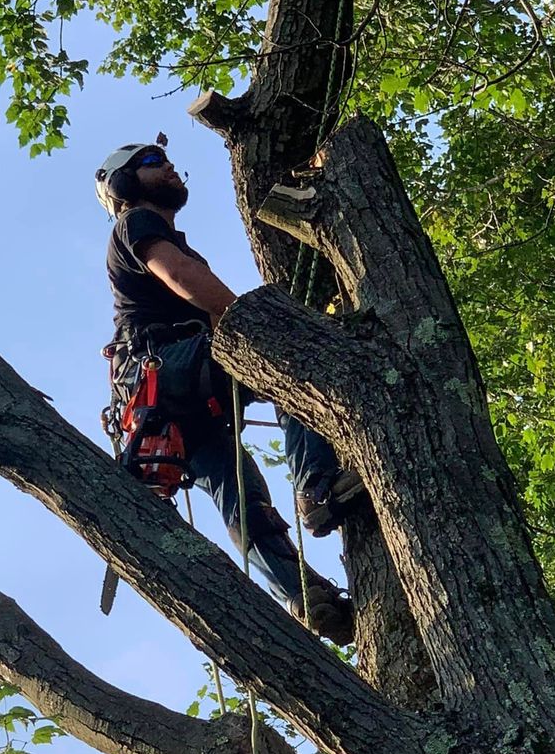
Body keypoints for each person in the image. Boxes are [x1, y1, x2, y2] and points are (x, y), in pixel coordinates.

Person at [95, 141, 362, 644]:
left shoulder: (162, 235)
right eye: (152, 163)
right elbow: (180, 277)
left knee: (238, 486)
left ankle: (307, 597)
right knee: (282, 362)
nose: (169, 166)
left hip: (169, 400)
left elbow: (205, 308)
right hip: (166, 367)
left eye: (168, 159)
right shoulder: (134, 224)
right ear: (123, 185)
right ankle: (317, 485)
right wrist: (261, 327)